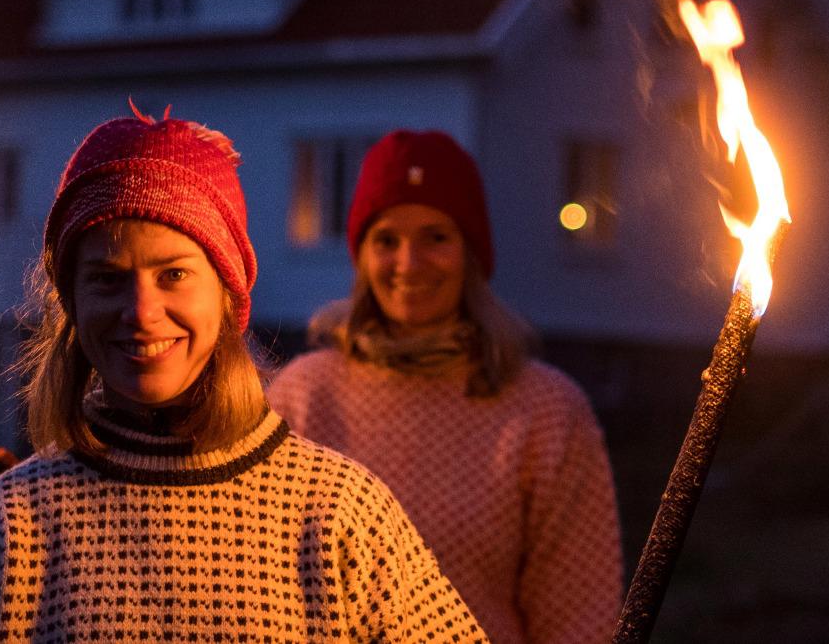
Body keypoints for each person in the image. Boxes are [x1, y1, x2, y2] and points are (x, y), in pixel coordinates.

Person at [0, 108, 487, 642]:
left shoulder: (337, 514)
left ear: (228, 294)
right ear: (73, 302)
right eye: (108, 278)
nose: (141, 312)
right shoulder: (4, 528)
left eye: (174, 274)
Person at [267, 130, 624, 643]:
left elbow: (578, 616)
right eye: (387, 240)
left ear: (471, 254)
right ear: (362, 257)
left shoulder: (545, 411)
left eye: (435, 237)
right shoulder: (301, 396)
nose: (409, 264)